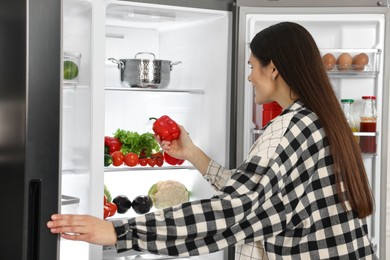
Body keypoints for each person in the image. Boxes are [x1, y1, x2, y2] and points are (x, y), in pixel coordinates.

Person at [47, 22, 377, 259]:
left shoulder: (288, 127)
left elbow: (233, 209)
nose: (249, 76)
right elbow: (263, 198)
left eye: (252, 66)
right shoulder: (317, 119)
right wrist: (192, 153)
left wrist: (122, 232)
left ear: (273, 68)